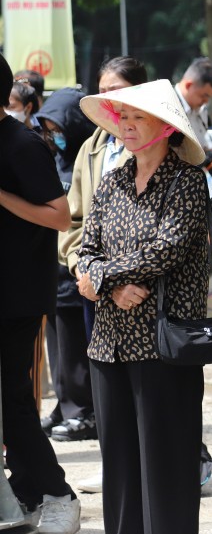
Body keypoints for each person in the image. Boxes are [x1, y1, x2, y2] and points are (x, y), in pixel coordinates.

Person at [76, 79, 210, 534]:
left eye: (138, 118)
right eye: (122, 119)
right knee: (119, 452)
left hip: (164, 335)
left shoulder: (187, 180)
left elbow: (167, 249)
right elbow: (85, 248)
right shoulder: (112, 179)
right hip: (109, 337)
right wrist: (105, 285)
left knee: (169, 447)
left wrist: (103, 276)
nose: (127, 128)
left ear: (164, 126)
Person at [59, 56, 149, 495]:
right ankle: (117, 468)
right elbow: (74, 222)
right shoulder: (91, 149)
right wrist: (85, 272)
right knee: (108, 389)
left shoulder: (164, 146)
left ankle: (190, 462)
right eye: (103, 91)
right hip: (96, 291)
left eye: (119, 90)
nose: (109, 100)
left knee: (156, 392)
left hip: (148, 289)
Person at [0, 53, 79, 534]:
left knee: (13, 403)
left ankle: (58, 495)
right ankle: (27, 489)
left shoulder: (22, 143)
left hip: (17, 294)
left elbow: (59, 215)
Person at [34, 87, 97, 443]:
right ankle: (65, 404)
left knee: (76, 349)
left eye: (57, 127)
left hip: (78, 271)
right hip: (53, 272)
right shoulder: (54, 160)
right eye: (47, 128)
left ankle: (83, 411)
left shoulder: (88, 159)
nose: (52, 135)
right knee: (59, 350)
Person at [174, 57, 212, 151]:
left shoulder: (202, 110)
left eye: (209, 97)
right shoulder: (166, 107)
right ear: (188, 85)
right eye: (204, 95)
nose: (206, 101)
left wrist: (207, 154)